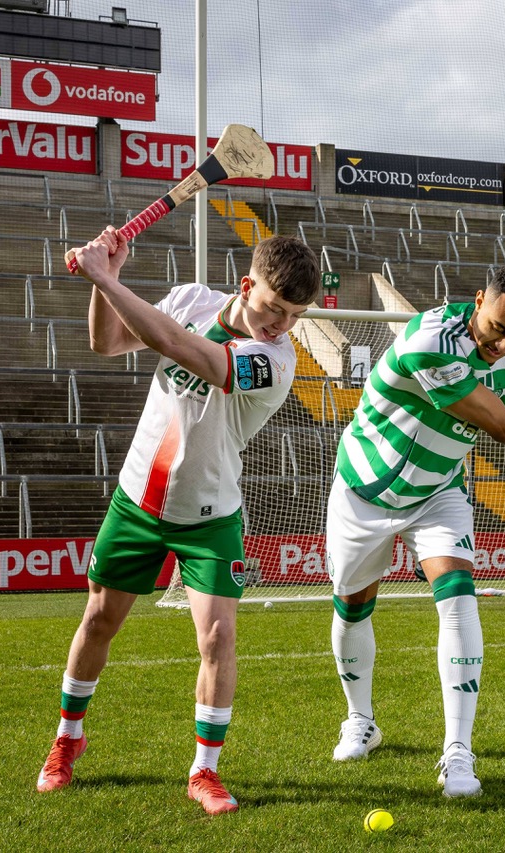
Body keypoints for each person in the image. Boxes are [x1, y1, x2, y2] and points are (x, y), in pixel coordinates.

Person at [35, 228, 320, 815]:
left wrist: (106, 277)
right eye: (274, 309)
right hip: (138, 500)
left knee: (217, 638)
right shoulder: (191, 298)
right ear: (246, 286)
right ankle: (67, 740)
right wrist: (104, 282)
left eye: (294, 316)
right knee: (98, 621)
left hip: (210, 515)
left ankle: (204, 772)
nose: (281, 326)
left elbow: (185, 350)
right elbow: (106, 341)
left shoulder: (276, 360)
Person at [326, 263, 505, 798]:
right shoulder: (430, 340)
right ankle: (360, 720)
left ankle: (458, 752)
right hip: (362, 489)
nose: (503, 345)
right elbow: (501, 425)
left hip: (439, 492)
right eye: (496, 328)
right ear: (478, 299)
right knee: (352, 606)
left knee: (459, 600)